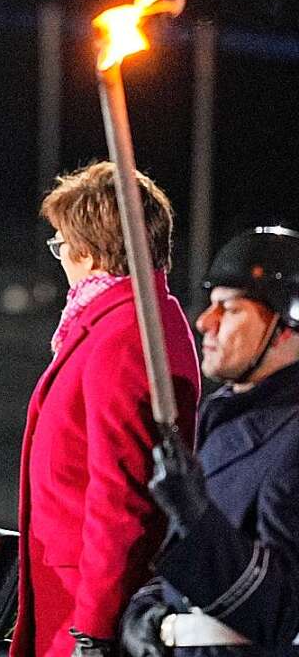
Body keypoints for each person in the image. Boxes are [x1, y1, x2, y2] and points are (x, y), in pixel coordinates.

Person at [10, 162, 201, 657]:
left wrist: (93, 628)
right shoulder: (125, 322)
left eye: (60, 244)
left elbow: (121, 497)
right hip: (75, 590)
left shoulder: (122, 336)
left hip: (84, 603)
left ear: (90, 250)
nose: (60, 258)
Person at [121, 226, 299, 656]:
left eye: (230, 308)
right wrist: (147, 613)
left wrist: (195, 515)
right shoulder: (221, 418)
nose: (205, 321)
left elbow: (281, 610)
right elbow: (179, 569)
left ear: (285, 328)